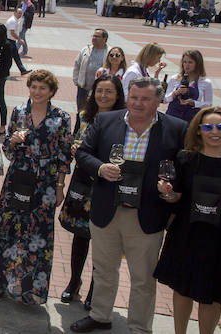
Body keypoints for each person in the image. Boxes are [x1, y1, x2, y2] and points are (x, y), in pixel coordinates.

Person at [69, 77, 186, 333]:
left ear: (159, 100)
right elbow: (83, 153)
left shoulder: (177, 129)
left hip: (146, 215)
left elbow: (183, 171)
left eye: (145, 99)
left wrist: (172, 193)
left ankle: (139, 328)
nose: (138, 103)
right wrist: (100, 168)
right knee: (103, 270)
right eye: (134, 97)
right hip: (106, 211)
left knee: (143, 279)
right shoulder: (107, 120)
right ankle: (100, 315)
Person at [0, 70, 71, 305]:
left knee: (37, 236)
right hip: (18, 177)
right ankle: (0, 282)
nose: (37, 92)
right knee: (8, 229)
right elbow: (9, 152)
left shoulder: (62, 117)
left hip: (46, 183)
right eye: (34, 87)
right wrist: (11, 142)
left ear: (51, 91)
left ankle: (29, 289)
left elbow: (64, 155)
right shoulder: (18, 111)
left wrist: (60, 186)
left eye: (43, 88)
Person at [154, 106, 221, 334]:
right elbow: (179, 196)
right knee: (182, 289)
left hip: (220, 239)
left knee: (211, 297)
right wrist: (168, 193)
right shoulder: (186, 158)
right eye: (208, 127)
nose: (215, 132)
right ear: (198, 131)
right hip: (187, 233)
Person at [58, 74, 125, 310]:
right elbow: (74, 144)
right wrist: (75, 146)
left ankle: (95, 290)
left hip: (107, 186)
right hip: (83, 183)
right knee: (80, 235)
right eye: (99, 91)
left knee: (103, 242)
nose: (103, 96)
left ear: (117, 95)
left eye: (109, 91)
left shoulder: (124, 120)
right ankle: (74, 282)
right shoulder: (85, 116)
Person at [164, 50, 212, 123]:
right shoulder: (175, 79)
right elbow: (165, 99)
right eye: (184, 62)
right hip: (172, 117)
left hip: (191, 119)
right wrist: (176, 93)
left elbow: (208, 104)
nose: (186, 65)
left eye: (190, 62)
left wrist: (194, 103)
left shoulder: (205, 82)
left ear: (197, 64)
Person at [72, 29, 109, 112]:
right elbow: (77, 64)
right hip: (83, 87)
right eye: (93, 36)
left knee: (95, 111)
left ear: (105, 39)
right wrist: (76, 80)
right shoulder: (86, 50)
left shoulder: (109, 52)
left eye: (97, 36)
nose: (94, 38)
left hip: (99, 89)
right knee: (81, 111)